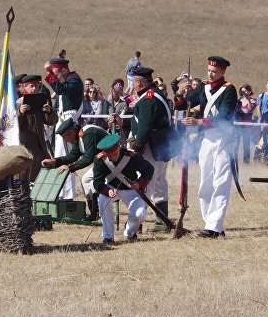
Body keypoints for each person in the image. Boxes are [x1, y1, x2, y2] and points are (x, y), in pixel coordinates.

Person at [182, 56, 236, 238]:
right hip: (207, 140)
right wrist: (182, 91)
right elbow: (183, 102)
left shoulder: (229, 90)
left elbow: (225, 117)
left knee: (220, 183)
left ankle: (214, 227)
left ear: (222, 72)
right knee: (205, 183)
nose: (210, 74)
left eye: (214, 71)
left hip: (223, 141)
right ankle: (212, 225)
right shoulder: (203, 87)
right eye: (209, 71)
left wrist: (199, 121)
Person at [128, 66, 173, 232]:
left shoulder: (148, 99)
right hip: (161, 146)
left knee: (145, 185)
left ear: (139, 82)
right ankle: (162, 221)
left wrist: (137, 150)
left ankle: (135, 225)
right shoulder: (153, 95)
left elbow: (145, 126)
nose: (132, 85)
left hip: (151, 148)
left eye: (133, 82)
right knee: (159, 184)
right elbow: (143, 121)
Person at [91, 133, 153, 245]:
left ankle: (130, 233)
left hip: (132, 190)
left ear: (119, 148)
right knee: (102, 200)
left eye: (115, 154)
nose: (113, 158)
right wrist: (107, 191)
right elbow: (97, 182)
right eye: (110, 156)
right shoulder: (100, 159)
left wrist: (139, 184)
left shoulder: (131, 156)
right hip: (112, 188)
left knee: (141, 214)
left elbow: (148, 169)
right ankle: (108, 237)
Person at [42, 119, 108, 220]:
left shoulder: (88, 134)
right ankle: (94, 213)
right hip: (102, 162)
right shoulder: (80, 136)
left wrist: (69, 167)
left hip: (111, 160)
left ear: (72, 133)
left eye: (65, 137)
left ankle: (99, 212)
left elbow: (88, 158)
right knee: (85, 181)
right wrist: (54, 161)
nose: (65, 140)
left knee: (92, 183)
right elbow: (73, 156)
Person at [44, 57, 84, 199]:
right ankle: (60, 192)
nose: (54, 75)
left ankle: (68, 195)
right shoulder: (64, 82)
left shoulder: (74, 79)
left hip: (69, 122)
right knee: (59, 157)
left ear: (63, 70)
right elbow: (59, 102)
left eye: (55, 72)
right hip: (62, 121)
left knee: (68, 158)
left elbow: (61, 89)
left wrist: (50, 74)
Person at [15, 74, 57, 181]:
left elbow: (51, 122)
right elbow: (13, 126)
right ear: (24, 86)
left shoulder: (41, 101)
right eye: (31, 86)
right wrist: (20, 112)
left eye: (36, 86)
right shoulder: (18, 103)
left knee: (42, 167)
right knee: (27, 171)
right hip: (25, 144)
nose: (34, 89)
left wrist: (49, 111)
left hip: (40, 143)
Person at [236, 84, 258, 163]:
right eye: (242, 90)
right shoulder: (238, 100)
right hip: (238, 124)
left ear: (250, 91)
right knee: (236, 143)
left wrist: (248, 98)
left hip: (247, 125)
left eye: (246, 90)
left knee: (246, 144)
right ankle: (234, 160)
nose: (244, 92)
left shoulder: (253, 100)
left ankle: (246, 162)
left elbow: (250, 109)